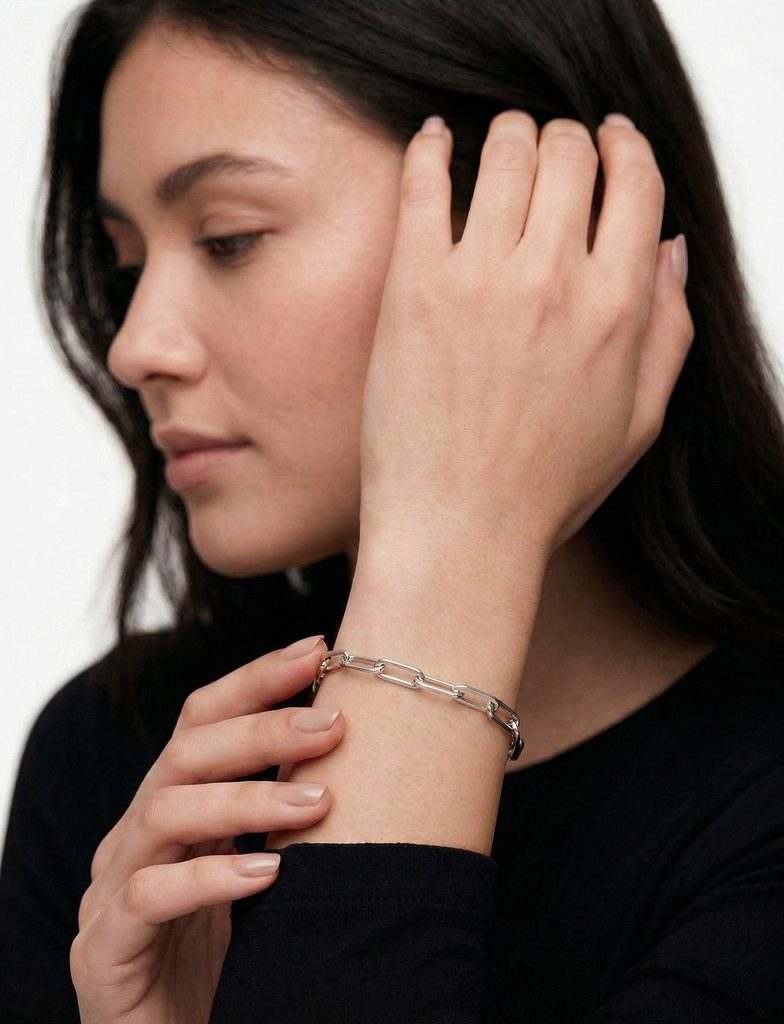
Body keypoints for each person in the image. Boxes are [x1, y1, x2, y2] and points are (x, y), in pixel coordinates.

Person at [2, 1, 783, 1021]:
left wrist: (448, 559)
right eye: (127, 265)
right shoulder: (133, 772)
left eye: (230, 238)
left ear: (549, 224)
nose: (133, 345)